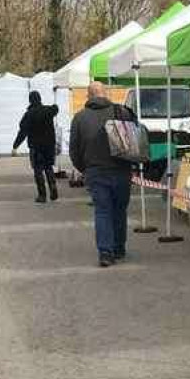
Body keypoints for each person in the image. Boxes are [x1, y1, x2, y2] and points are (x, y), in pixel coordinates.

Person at [69, 81, 135, 267]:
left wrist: (85, 169)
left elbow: (74, 149)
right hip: (122, 170)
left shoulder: (80, 118)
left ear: (88, 96)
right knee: (119, 210)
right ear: (106, 94)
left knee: (103, 211)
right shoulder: (121, 112)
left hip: (96, 171)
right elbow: (134, 140)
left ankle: (105, 252)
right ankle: (119, 247)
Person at [12, 91, 59, 203]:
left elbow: (23, 132)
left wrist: (15, 146)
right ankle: (53, 188)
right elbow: (55, 109)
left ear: (30, 100)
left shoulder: (28, 115)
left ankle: (42, 196)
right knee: (48, 167)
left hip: (36, 147)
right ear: (40, 98)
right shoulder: (48, 111)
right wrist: (55, 106)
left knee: (38, 170)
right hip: (49, 146)